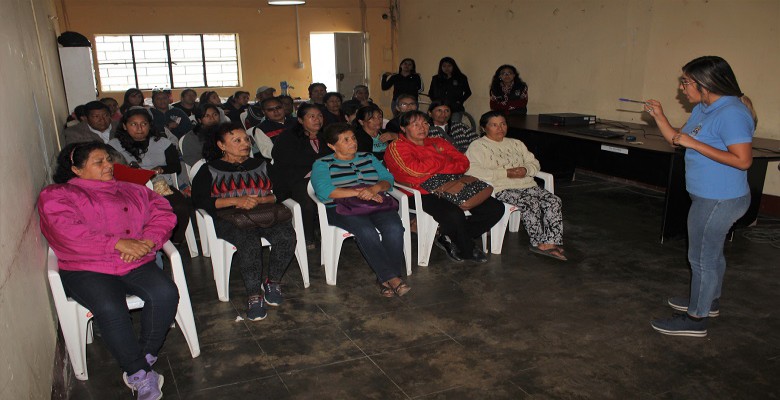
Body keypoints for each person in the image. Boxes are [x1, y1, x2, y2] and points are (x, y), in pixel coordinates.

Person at [38, 142, 177, 399]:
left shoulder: (133, 190)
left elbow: (163, 213)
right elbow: (67, 231)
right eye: (98, 162)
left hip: (133, 261)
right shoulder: (58, 195)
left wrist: (147, 241)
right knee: (111, 307)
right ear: (76, 170)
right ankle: (138, 375)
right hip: (86, 267)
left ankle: (140, 361)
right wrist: (117, 243)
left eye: (108, 160)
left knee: (165, 293)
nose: (108, 166)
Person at [645, 56, 756, 337]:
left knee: (701, 258)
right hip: (707, 196)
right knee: (711, 253)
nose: (682, 88)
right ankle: (709, 301)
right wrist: (659, 116)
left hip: (720, 199)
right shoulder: (704, 108)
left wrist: (693, 143)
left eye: (686, 82)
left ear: (705, 84)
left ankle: (696, 320)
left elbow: (743, 160)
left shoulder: (731, 113)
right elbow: (677, 139)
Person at [192, 122, 297, 320]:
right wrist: (235, 201)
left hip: (264, 213)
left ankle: (272, 282)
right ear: (221, 145)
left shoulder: (261, 164)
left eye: (246, 139)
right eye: (237, 140)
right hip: (230, 219)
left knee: (286, 236)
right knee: (249, 242)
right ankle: (254, 295)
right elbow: (199, 200)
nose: (245, 144)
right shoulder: (210, 169)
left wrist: (263, 199)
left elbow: (284, 190)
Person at [384, 110, 504, 263]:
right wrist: (442, 161)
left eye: (425, 123)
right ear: (403, 128)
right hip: (419, 192)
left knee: (496, 208)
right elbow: (415, 170)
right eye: (416, 124)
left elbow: (463, 163)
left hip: (452, 184)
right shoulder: (397, 147)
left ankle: (446, 234)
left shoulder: (438, 141)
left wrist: (436, 166)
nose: (422, 128)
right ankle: (467, 248)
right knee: (454, 214)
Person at [312, 123, 410, 297]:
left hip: (375, 202)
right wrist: (359, 193)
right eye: (346, 140)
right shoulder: (322, 164)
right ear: (332, 145)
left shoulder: (368, 157)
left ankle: (385, 279)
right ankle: (393, 279)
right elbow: (324, 190)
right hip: (341, 208)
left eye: (354, 138)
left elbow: (388, 179)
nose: (353, 143)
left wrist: (374, 189)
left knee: (395, 228)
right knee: (367, 231)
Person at [466, 111, 566, 260]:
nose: (500, 128)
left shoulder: (516, 143)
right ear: (483, 128)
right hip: (501, 188)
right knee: (530, 203)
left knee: (554, 200)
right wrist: (506, 173)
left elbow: (534, 163)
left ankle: (551, 241)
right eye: (494, 125)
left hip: (527, 185)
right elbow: (472, 170)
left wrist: (526, 170)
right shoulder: (478, 146)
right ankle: (538, 242)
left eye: (503, 124)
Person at [109, 107, 192, 245]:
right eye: (133, 124)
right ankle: (139, 242)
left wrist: (160, 169)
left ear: (149, 125)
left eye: (144, 124)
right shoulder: (113, 145)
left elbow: (175, 166)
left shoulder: (163, 143)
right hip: (128, 189)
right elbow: (110, 169)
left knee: (180, 208)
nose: (139, 128)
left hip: (160, 185)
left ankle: (174, 241)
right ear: (124, 126)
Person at [271, 103, 333, 248]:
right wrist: (316, 166)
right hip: (295, 178)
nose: (317, 119)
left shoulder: (327, 136)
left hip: (323, 177)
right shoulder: (288, 136)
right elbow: (284, 160)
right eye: (311, 116)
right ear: (300, 120)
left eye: (319, 116)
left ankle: (329, 229)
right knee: (306, 197)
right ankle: (307, 235)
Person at [429, 57, 472, 124]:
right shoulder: (436, 78)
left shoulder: (461, 78)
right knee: (438, 126)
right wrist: (436, 103)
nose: (446, 68)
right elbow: (431, 93)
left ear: (453, 66)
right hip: (439, 108)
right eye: (444, 66)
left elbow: (468, 92)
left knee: (455, 127)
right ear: (441, 67)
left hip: (455, 108)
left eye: (449, 66)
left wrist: (460, 101)